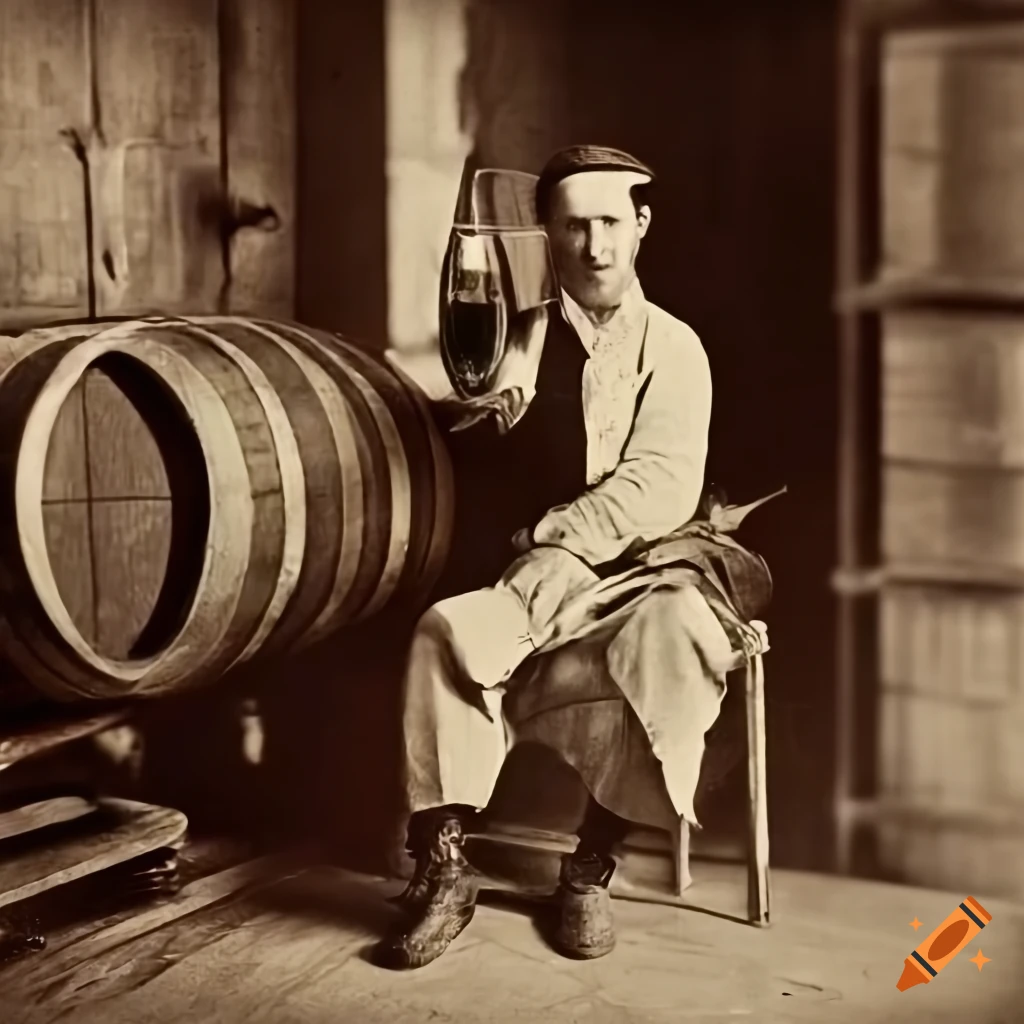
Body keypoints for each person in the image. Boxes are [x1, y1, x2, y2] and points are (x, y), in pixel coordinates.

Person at [375, 145, 773, 970]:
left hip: (637, 578)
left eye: (608, 225)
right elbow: (480, 420)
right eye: (572, 227)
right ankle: (448, 869)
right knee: (442, 630)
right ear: (548, 236)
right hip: (531, 582)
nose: (594, 247)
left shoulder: (676, 348)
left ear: (641, 226)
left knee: (674, 637)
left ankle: (590, 868)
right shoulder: (517, 334)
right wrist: (461, 409)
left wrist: (554, 541)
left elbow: (661, 485)